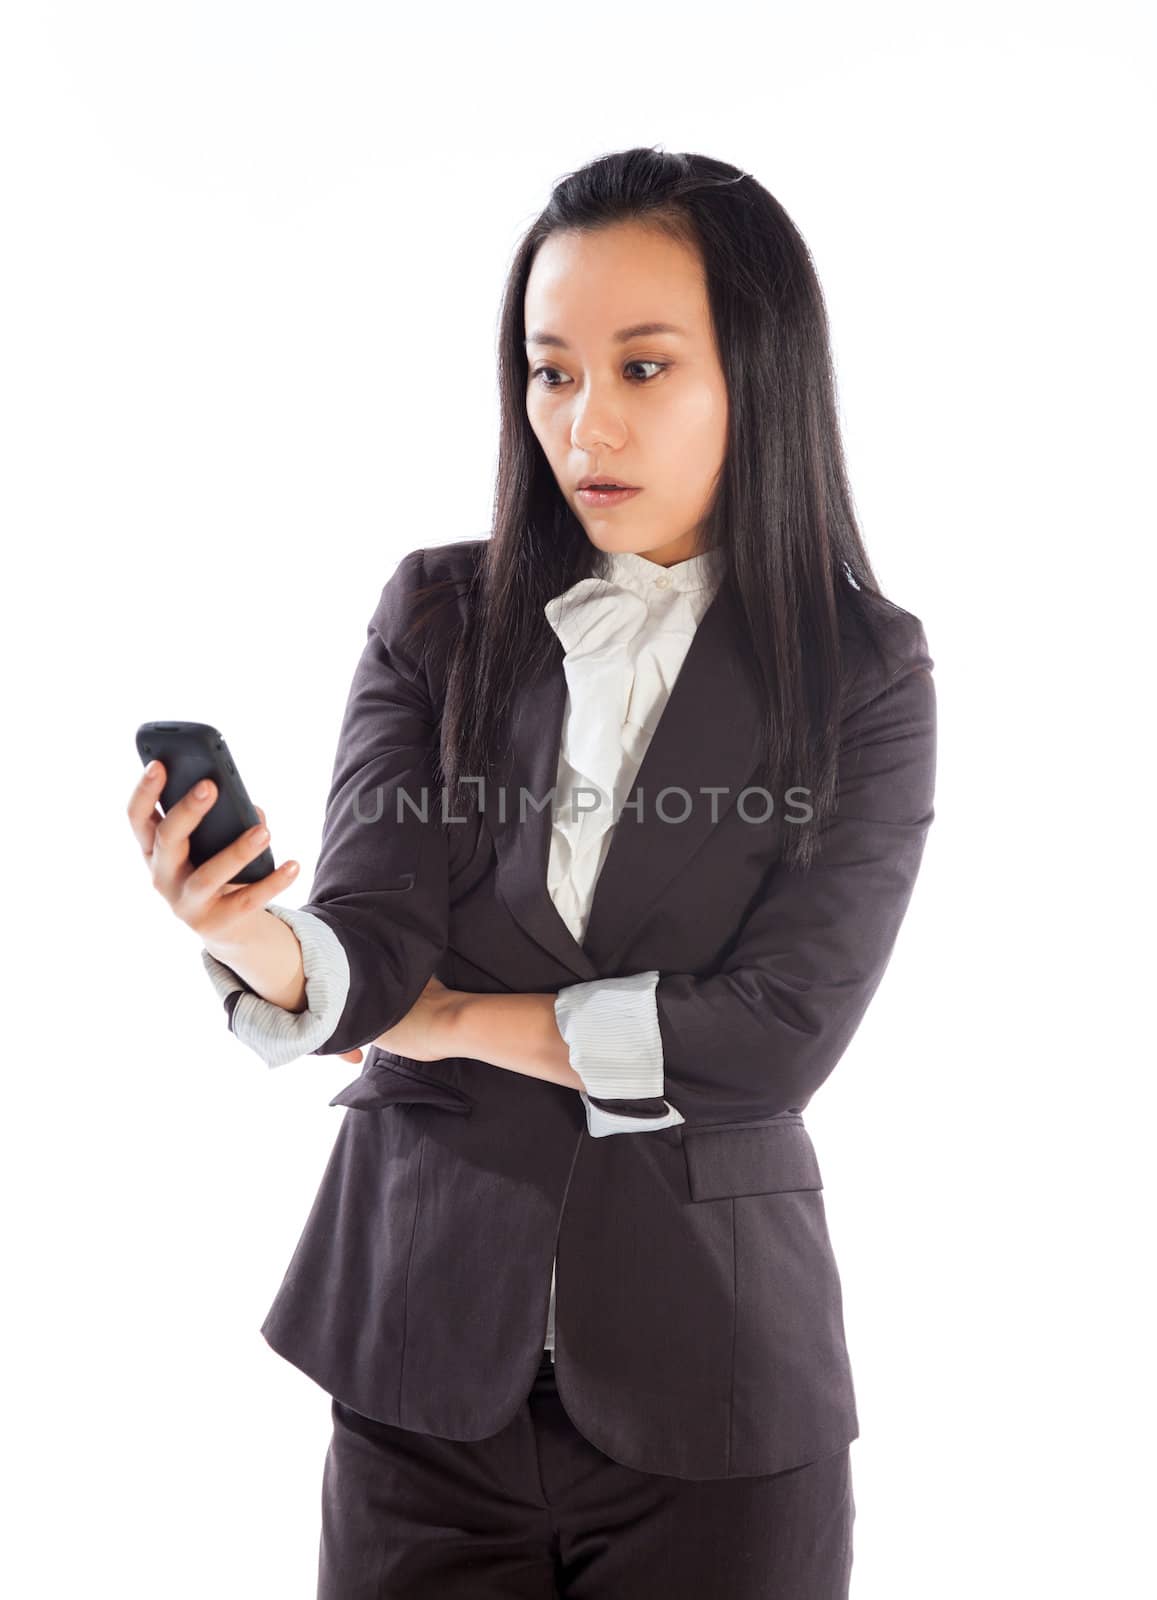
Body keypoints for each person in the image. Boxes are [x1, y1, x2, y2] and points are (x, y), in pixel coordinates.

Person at [127, 146, 937, 1598]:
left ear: (755, 371)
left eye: (641, 368)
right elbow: (370, 929)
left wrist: (447, 1024)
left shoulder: (862, 669)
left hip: (718, 1391)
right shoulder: (438, 614)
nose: (583, 422)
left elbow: (773, 1040)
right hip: (419, 1367)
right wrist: (255, 940)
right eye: (549, 371)